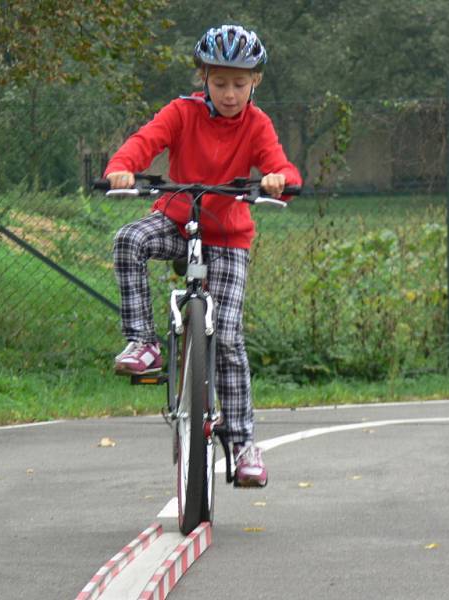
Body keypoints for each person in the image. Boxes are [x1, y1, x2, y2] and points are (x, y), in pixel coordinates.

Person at [104, 24, 302, 487]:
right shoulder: (181, 112)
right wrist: (121, 168)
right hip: (177, 221)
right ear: (203, 79)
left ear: (256, 81)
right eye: (219, 82)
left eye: (239, 83)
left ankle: (242, 444)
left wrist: (278, 180)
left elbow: (280, 165)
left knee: (229, 337)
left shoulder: (257, 125)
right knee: (129, 239)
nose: (229, 93)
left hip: (228, 239)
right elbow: (144, 142)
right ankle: (144, 342)